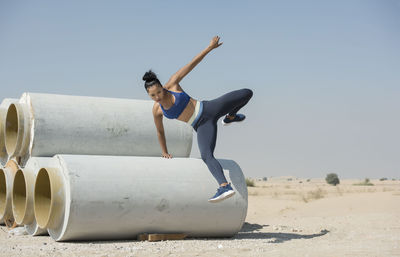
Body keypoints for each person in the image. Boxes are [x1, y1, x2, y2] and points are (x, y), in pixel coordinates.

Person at [143, 36, 253, 203]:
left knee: (246, 93)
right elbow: (160, 131)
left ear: (161, 87)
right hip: (201, 125)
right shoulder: (157, 110)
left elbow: (193, 63)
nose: (157, 97)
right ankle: (224, 186)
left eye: (158, 92)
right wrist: (164, 151)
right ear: (148, 95)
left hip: (209, 108)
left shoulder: (172, 84)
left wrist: (209, 48)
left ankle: (230, 116)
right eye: (152, 95)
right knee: (207, 155)